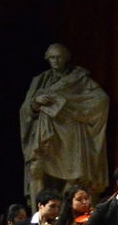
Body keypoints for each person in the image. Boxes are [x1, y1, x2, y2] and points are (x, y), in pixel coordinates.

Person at [19, 43, 110, 202]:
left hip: (69, 132)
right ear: (47, 58)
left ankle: (65, 211)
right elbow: (25, 109)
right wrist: (36, 102)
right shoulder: (40, 80)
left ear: (66, 58)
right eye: (52, 57)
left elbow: (101, 99)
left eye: (59, 57)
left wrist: (75, 110)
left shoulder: (79, 79)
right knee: (36, 169)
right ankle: (37, 212)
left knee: (73, 175)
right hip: (45, 133)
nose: (55, 61)